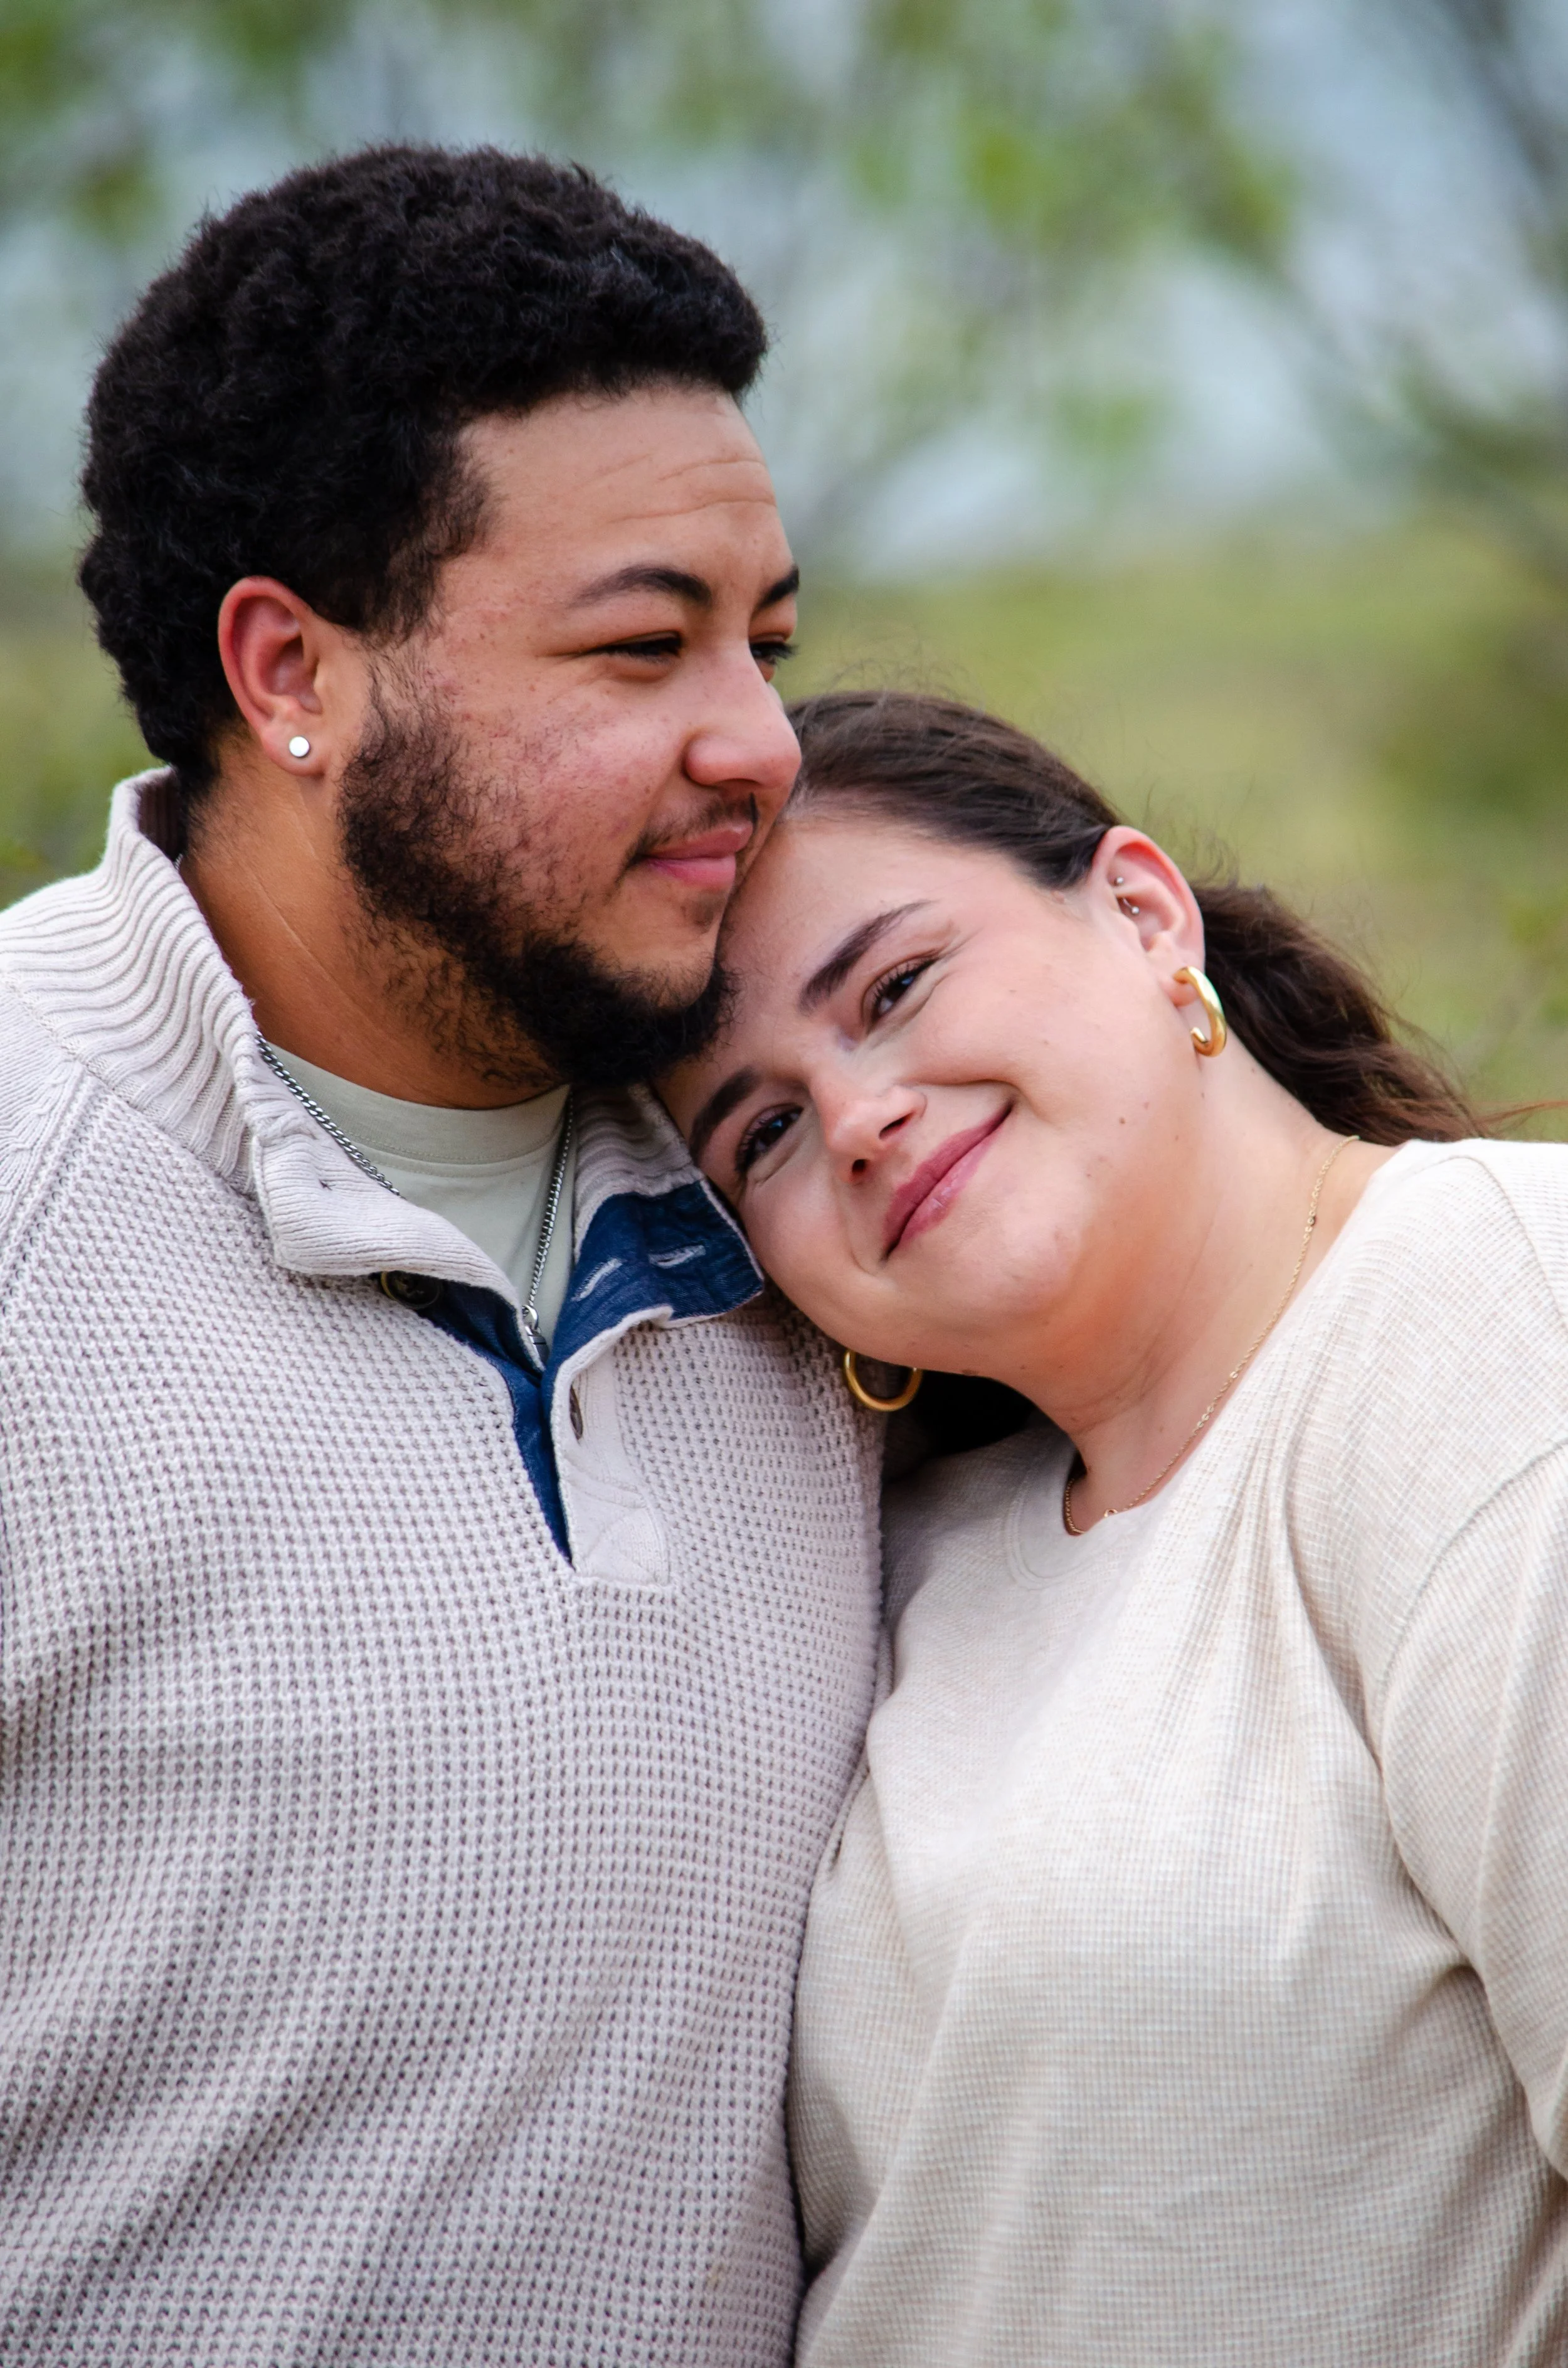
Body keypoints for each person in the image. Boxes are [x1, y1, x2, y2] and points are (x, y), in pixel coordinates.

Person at [0, 150, 882, 2366]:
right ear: (291, 670)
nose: (759, 748)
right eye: (639, 643)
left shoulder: (827, 1180)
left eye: (765, 643)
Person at [663, 688, 1568, 2367]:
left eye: (897, 984)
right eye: (762, 1130)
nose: (856, 1117)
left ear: (1145, 913)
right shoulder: (930, 1544)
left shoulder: (1487, 1320)